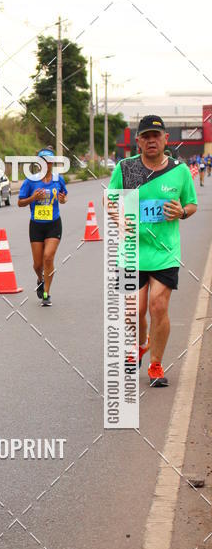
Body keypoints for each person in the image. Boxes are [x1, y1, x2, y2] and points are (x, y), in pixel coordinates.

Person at [108, 115, 197, 386]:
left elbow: (191, 204)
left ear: (165, 140)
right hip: (132, 252)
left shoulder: (179, 171)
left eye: (156, 136)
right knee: (134, 310)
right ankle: (138, 346)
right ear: (138, 141)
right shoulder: (126, 168)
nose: (151, 140)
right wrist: (118, 218)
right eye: (145, 136)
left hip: (164, 251)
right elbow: (110, 200)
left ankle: (156, 365)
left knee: (158, 306)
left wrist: (181, 211)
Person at [17, 147, 68, 306]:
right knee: (38, 264)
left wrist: (62, 199)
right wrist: (33, 197)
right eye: (43, 161)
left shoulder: (58, 179)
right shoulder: (30, 181)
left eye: (49, 161)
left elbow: (64, 196)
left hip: (53, 224)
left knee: (48, 257)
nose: (47, 164)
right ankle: (40, 279)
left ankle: (46, 293)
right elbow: (20, 202)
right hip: (36, 226)